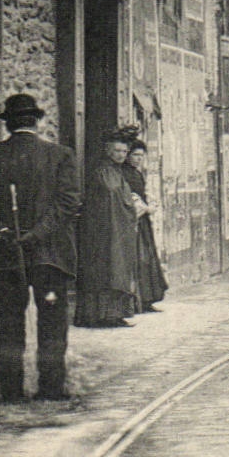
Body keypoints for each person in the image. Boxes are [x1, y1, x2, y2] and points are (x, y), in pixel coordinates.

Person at [0, 94, 79, 402]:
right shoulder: (61, 155)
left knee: (9, 321)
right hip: (49, 258)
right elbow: (67, 204)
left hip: (3, 256)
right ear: (37, 121)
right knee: (53, 320)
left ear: (8, 123)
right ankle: (51, 388)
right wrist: (38, 234)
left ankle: (11, 390)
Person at [74, 131, 142, 327]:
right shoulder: (104, 172)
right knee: (107, 270)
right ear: (108, 151)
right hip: (105, 230)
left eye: (124, 151)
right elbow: (111, 198)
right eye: (117, 151)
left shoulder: (115, 171)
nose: (121, 154)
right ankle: (100, 315)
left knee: (117, 270)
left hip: (117, 229)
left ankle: (114, 314)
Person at [122, 138, 168, 312]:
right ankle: (138, 301)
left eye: (141, 155)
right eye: (135, 155)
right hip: (134, 221)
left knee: (147, 260)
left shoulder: (137, 173)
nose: (138, 159)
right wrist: (144, 208)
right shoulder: (124, 173)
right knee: (139, 259)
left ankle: (148, 299)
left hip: (143, 222)